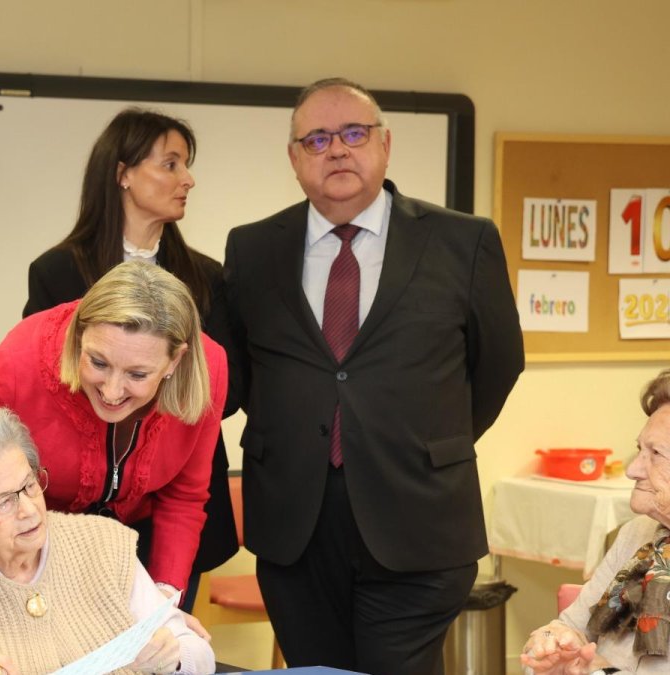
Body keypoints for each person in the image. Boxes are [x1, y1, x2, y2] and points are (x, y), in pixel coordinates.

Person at [223, 77, 525, 673]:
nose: (337, 149)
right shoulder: (253, 248)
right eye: (316, 139)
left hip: (419, 520)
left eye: (354, 133)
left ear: (385, 145)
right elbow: (245, 372)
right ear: (294, 157)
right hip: (295, 527)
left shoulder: (463, 241)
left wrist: (429, 443)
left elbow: (498, 364)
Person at [0, 261, 226, 645]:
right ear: (79, 335)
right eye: (98, 363)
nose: (112, 391)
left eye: (137, 375)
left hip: (140, 551)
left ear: (174, 361)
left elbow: (184, 496)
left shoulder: (209, 367)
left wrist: (162, 599)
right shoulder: (25, 354)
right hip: (36, 550)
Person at [23, 108, 238, 609]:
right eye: (170, 164)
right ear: (122, 174)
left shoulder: (206, 278)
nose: (187, 179)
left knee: (163, 648)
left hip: (173, 505)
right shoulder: (58, 272)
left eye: (186, 165)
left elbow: (232, 392)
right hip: (75, 511)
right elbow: (45, 387)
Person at [0, 406, 215, 674]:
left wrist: (176, 658)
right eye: (3, 502)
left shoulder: (101, 544)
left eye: (30, 485)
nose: (30, 510)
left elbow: (198, 652)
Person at [522, 370, 670, 675]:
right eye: (640, 449)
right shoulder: (638, 534)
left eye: (655, 454)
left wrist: (600, 671)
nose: (633, 469)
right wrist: (549, 651)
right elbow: (570, 628)